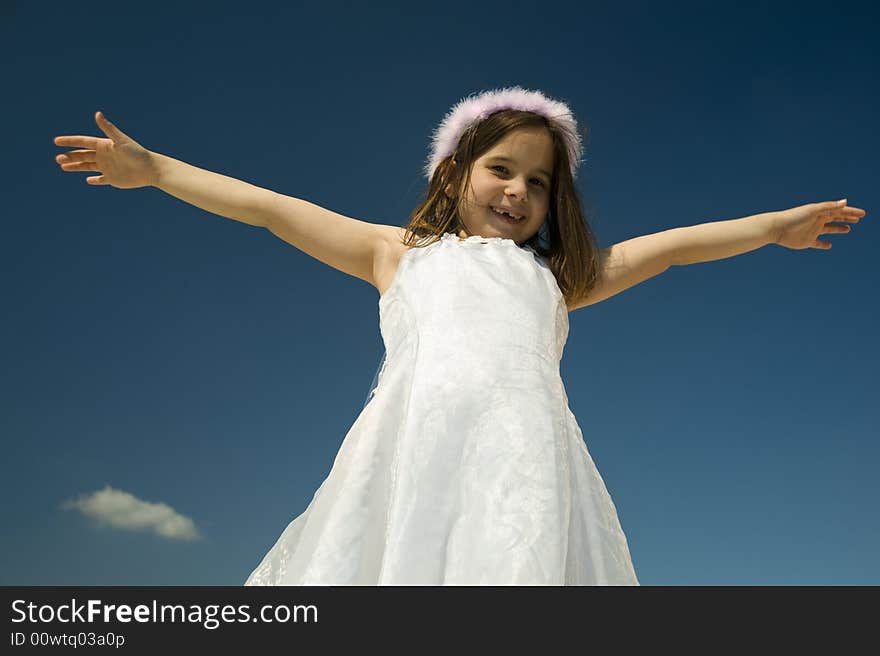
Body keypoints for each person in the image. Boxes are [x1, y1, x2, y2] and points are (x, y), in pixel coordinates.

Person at [53, 86, 865, 585]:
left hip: (527, 464)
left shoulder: (555, 279)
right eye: (501, 169)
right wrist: (157, 170)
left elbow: (676, 245)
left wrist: (774, 228)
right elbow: (270, 208)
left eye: (538, 183)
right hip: (413, 449)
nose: (517, 191)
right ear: (454, 174)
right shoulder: (394, 253)